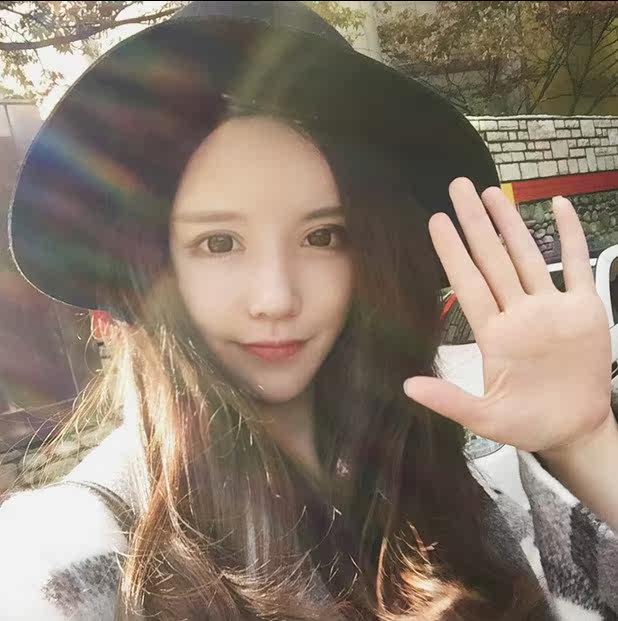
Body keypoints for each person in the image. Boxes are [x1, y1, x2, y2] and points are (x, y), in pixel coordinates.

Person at [1, 2, 617, 620]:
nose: (276, 299)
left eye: (323, 236)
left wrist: (583, 443)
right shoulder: (70, 556)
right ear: (153, 268)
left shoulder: (467, 489)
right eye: (218, 243)